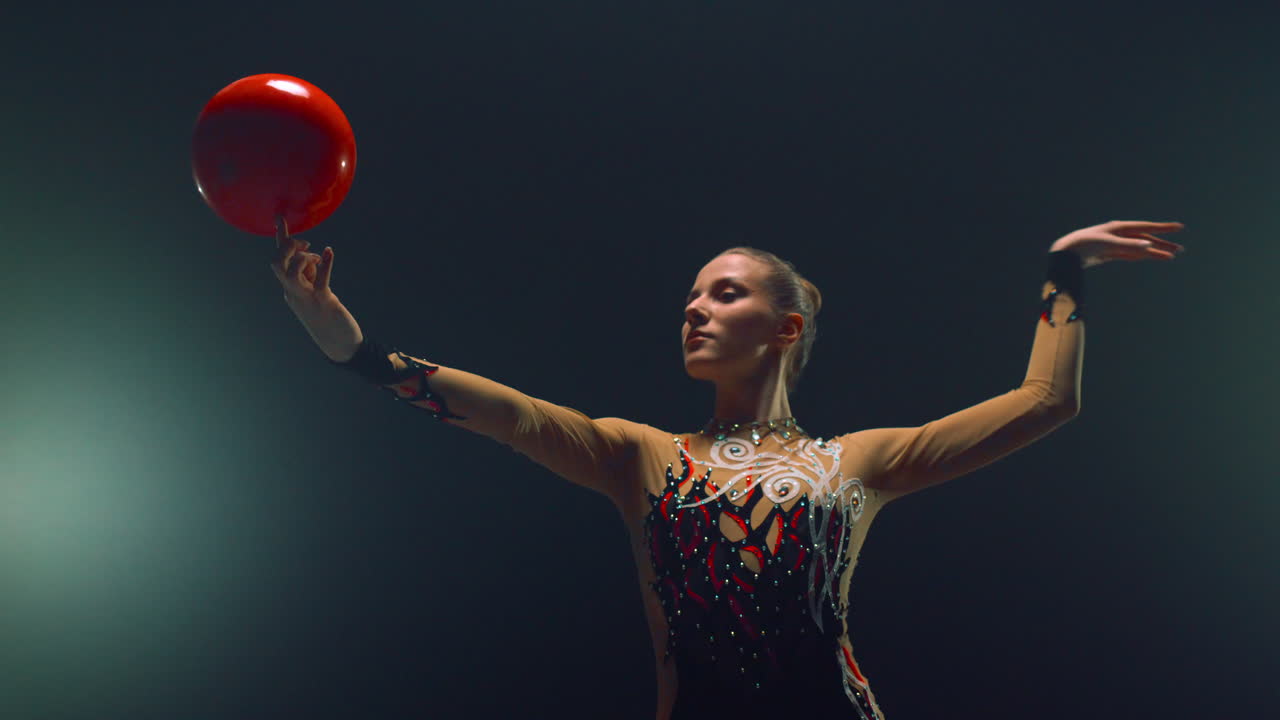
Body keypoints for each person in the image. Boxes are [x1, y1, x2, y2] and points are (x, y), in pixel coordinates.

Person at [268, 218, 1185, 719]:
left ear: (785, 328)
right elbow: (505, 414)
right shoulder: (638, 454)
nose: (694, 310)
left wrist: (1066, 272)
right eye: (692, 297)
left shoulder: (856, 462)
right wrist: (354, 351)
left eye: (725, 292)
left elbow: (1044, 404)